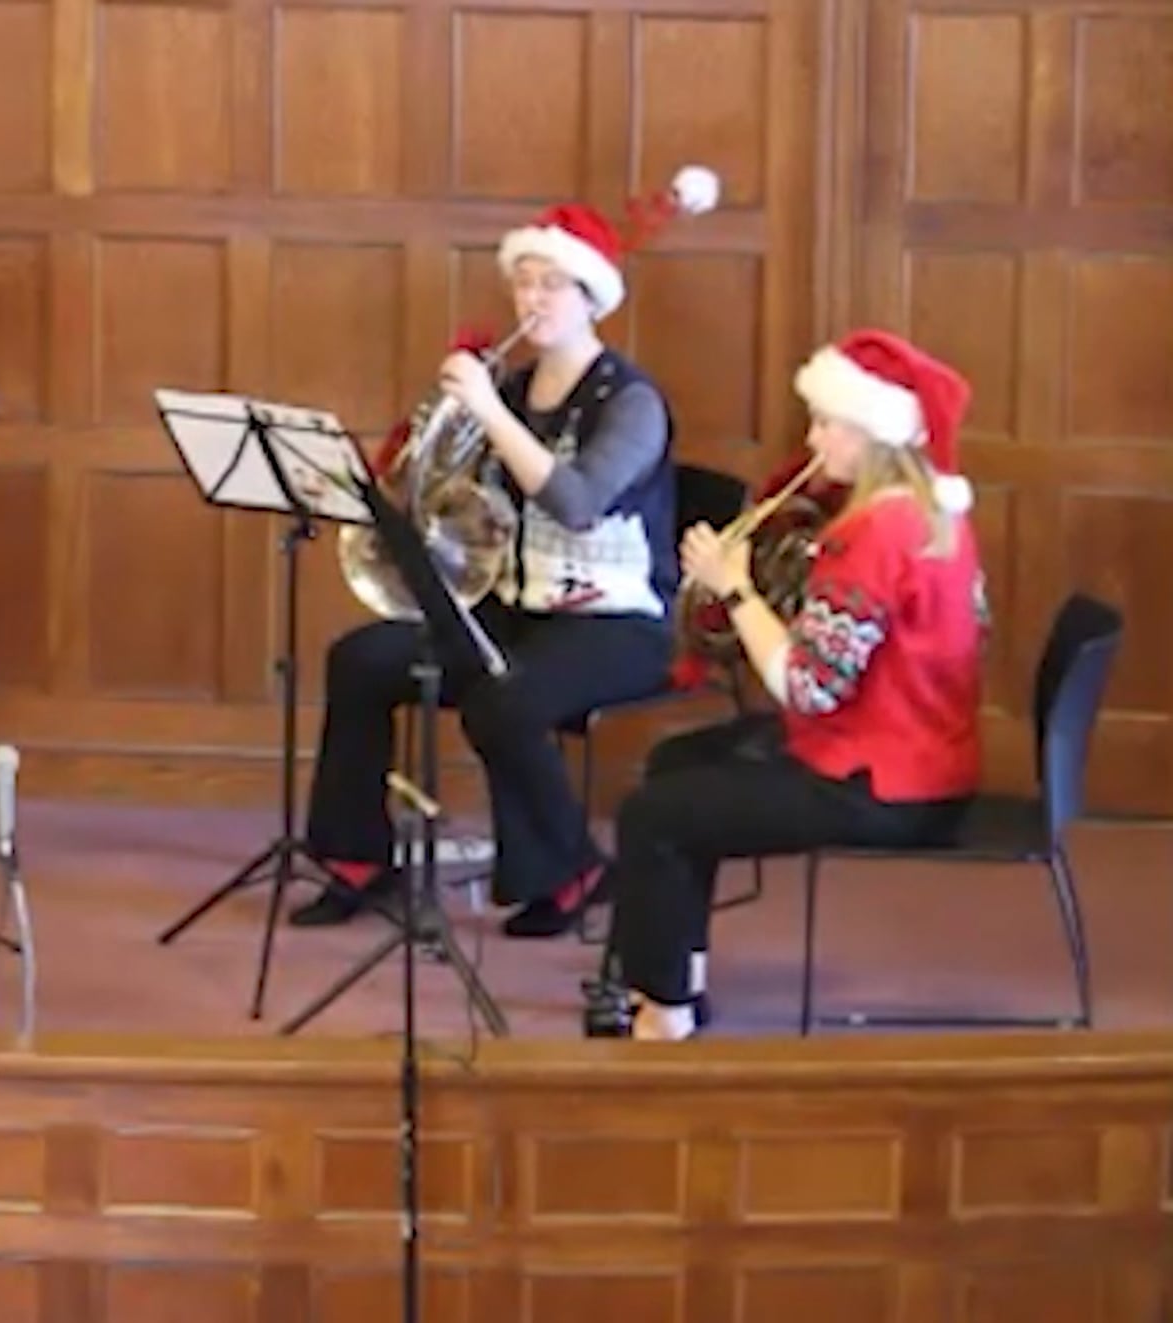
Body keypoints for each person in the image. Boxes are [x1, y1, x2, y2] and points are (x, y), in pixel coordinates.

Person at [295, 169, 719, 937]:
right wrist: (426, 455)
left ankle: (571, 870)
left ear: (592, 299)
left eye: (553, 285)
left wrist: (489, 413)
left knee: (504, 698)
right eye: (524, 283)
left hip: (618, 622)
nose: (533, 300)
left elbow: (576, 503)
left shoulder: (631, 402)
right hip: (516, 604)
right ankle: (356, 857)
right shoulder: (513, 388)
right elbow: (455, 498)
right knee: (360, 660)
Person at [592, 330, 986, 1040]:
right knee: (677, 763)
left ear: (869, 433)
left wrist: (736, 588)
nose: (812, 439)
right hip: (924, 757)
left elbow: (807, 687)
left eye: (827, 423)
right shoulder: (933, 513)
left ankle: (664, 1011)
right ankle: (674, 973)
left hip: (877, 786)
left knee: (653, 815)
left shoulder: (875, 535)